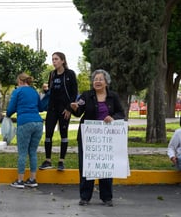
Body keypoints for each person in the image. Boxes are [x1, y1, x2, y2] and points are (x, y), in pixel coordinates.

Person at [70, 69, 125, 207]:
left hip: (107, 137)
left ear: (106, 82)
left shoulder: (113, 97)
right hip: (88, 136)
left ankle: (107, 197)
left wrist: (112, 117)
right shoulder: (86, 95)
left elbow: (121, 113)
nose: (97, 82)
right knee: (86, 166)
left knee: (105, 166)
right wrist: (75, 108)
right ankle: (85, 197)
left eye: (100, 79)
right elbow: (79, 111)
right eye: (95, 79)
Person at [6, 73, 48, 189]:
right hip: (38, 123)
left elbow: (10, 109)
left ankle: (20, 180)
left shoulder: (17, 91)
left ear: (19, 81)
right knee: (33, 152)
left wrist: (7, 116)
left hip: (24, 122)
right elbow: (40, 108)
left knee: (23, 152)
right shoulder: (34, 91)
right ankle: (32, 179)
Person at [39, 52, 78, 171]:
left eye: (56, 59)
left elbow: (74, 93)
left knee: (64, 134)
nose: (54, 61)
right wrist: (46, 91)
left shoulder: (70, 74)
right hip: (52, 108)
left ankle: (61, 161)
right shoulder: (52, 74)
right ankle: (48, 160)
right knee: (48, 134)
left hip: (64, 109)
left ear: (63, 61)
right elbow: (52, 92)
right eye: (53, 59)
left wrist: (69, 108)